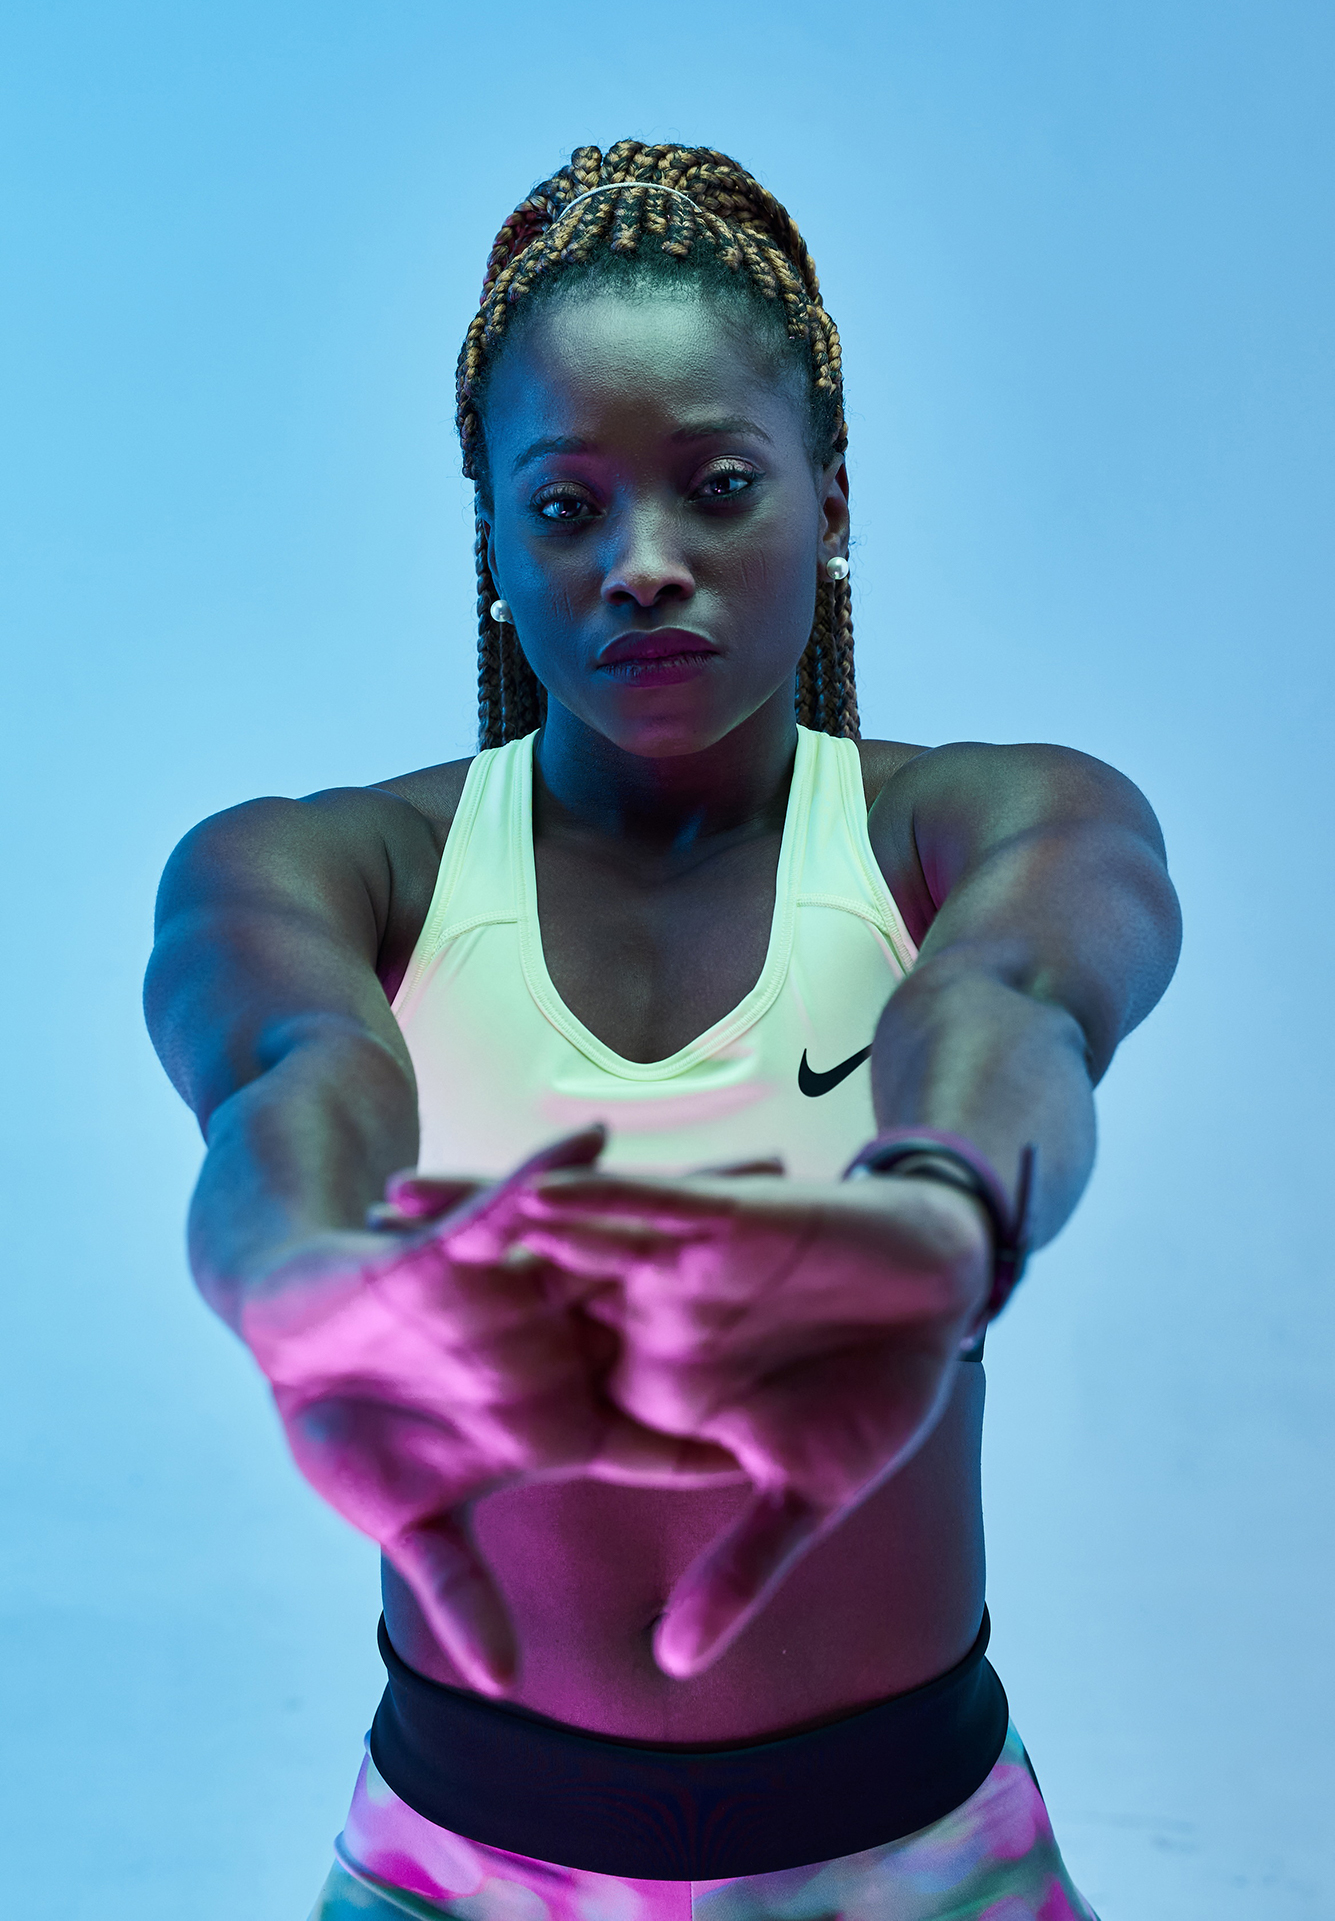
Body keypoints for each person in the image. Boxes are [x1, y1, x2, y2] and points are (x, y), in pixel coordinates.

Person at [145, 141, 1181, 1921]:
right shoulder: (321, 867)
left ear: (833, 498)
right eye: (564, 509)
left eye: (715, 486)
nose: (643, 564)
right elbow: (285, 1077)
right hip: (458, 1873)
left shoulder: (997, 826)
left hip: (919, 1871)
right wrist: (299, 1270)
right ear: (489, 534)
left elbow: (1016, 1000)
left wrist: (938, 1214)